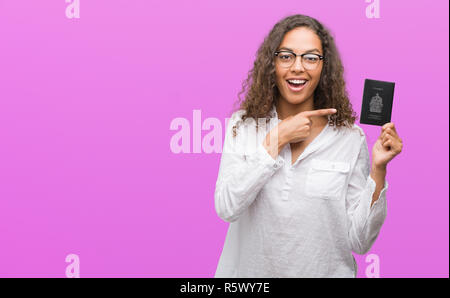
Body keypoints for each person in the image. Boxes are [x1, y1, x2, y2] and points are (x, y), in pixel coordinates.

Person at [214, 14, 403, 278]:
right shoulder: (244, 126)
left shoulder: (349, 138)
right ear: (272, 63)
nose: (298, 67)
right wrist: (276, 140)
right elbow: (226, 207)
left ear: (324, 68)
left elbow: (359, 241)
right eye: (286, 56)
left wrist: (378, 171)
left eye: (311, 57)